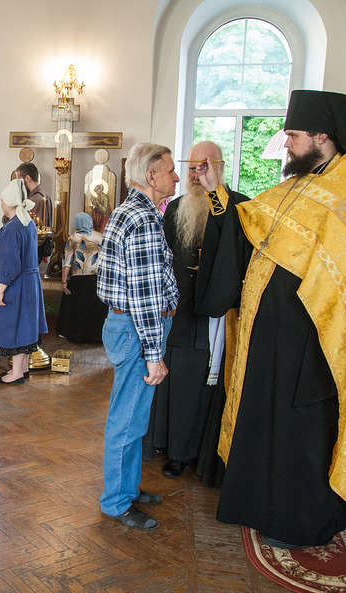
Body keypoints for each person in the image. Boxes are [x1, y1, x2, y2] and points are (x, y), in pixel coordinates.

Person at [194, 90, 346, 548]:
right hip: (270, 338)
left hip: (313, 341)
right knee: (267, 421)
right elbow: (247, 225)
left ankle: (300, 521)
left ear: (322, 135)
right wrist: (215, 192)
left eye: (293, 135)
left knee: (299, 430)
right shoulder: (301, 185)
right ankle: (258, 505)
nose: (285, 143)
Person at [146, 141, 248, 485]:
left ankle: (186, 452)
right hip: (176, 311)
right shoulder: (176, 208)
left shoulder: (238, 206)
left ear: (219, 168)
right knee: (169, 378)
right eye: (191, 167)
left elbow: (237, 250)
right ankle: (162, 442)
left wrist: (215, 192)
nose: (195, 174)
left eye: (203, 167)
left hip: (212, 315)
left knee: (197, 384)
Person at [97, 142, 179, 530]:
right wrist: (154, 354)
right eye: (170, 170)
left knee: (132, 416)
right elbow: (145, 297)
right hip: (137, 328)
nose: (176, 177)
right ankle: (116, 501)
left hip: (128, 326)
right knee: (126, 420)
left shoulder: (132, 211)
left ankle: (126, 487)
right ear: (151, 176)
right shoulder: (143, 218)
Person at [0, 179, 48, 384]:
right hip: (29, 284)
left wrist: (0, 290)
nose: (1, 203)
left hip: (16, 285)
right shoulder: (26, 222)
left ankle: (17, 372)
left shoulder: (12, 227)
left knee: (16, 327)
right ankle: (22, 369)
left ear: (10, 202)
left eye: (3, 200)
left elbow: (10, 264)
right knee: (25, 326)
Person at [56, 212, 106, 343]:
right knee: (95, 308)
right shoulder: (101, 237)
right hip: (97, 279)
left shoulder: (73, 238)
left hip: (79, 280)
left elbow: (67, 262)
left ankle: (75, 334)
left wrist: (64, 282)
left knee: (77, 308)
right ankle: (97, 336)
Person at [15, 162, 53, 229]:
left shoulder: (33, 200)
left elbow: (29, 227)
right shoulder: (45, 195)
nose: (19, 184)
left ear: (27, 178)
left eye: (19, 180)